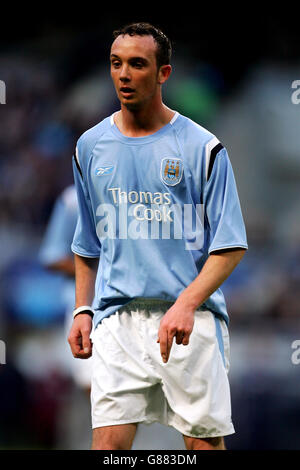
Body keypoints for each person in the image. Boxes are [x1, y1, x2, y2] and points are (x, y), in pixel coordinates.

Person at [68, 22, 248, 451]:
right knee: (109, 447)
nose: (124, 75)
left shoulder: (203, 148)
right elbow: (87, 242)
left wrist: (186, 304)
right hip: (117, 322)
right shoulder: (89, 146)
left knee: (202, 447)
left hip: (189, 321)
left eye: (137, 64)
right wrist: (82, 308)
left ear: (163, 73)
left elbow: (230, 245)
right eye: (116, 64)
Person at [39, 184, 93, 394]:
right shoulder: (73, 198)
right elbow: (52, 256)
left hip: (132, 304)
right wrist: (97, 274)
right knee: (92, 385)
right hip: (84, 305)